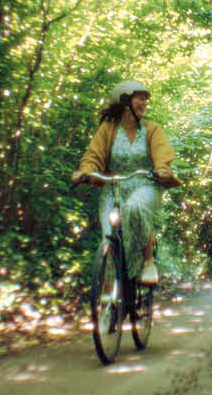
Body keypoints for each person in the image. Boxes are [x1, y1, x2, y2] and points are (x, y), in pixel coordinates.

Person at [72, 80, 179, 285]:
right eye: (140, 98)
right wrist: (84, 172)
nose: (144, 103)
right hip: (114, 187)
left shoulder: (151, 129)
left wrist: (162, 168)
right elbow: (93, 155)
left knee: (134, 207)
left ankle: (148, 262)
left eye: (146, 100)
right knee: (109, 234)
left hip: (145, 185)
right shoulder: (107, 130)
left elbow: (161, 152)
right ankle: (111, 287)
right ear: (125, 101)